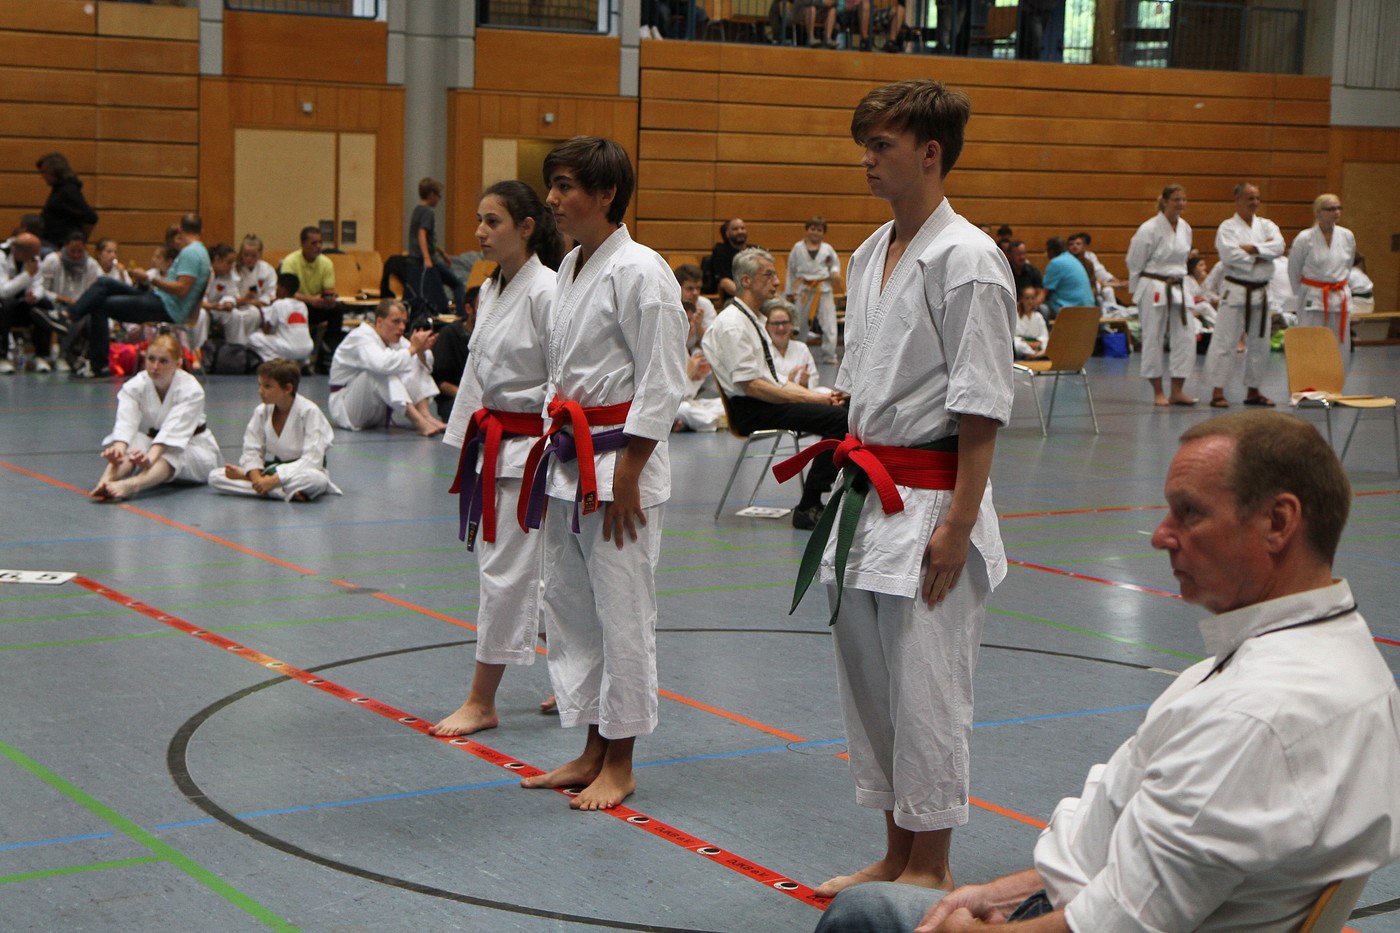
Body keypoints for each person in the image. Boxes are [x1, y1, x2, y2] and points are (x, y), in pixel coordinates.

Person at [815, 410, 1400, 933]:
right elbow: (1146, 865)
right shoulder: (1335, 660)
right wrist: (1004, 891)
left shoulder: (1255, 715)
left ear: (1278, 521)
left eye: (1189, 512)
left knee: (863, 914)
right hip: (1073, 894)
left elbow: (1121, 923)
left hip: (1076, 917)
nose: (1161, 535)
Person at [773, 78, 1015, 902]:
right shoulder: (870, 251)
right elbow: (865, 382)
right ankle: (895, 851)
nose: (867, 161)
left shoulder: (969, 259)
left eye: (881, 146)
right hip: (869, 496)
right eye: (865, 147)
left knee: (928, 689)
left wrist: (961, 522)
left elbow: (982, 404)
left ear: (930, 153)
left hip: (935, 497)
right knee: (873, 686)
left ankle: (931, 864)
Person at [516, 136, 688, 811]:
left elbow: (663, 380)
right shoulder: (571, 266)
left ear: (606, 193)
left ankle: (621, 761)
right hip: (570, 462)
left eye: (565, 186)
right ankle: (591, 748)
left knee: (624, 616)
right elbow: (561, 375)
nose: (552, 200)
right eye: (552, 186)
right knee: (573, 611)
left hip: (621, 466)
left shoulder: (643, 270)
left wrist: (630, 472)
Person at [433, 179, 564, 738]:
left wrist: (554, 447)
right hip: (494, 444)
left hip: (533, 451)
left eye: (493, 222)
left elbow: (563, 379)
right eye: (479, 220)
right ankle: (582, 677)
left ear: (526, 227)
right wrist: (463, 438)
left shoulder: (548, 290)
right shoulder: (491, 289)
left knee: (506, 574)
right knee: (541, 576)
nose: (480, 232)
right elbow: (476, 374)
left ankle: (481, 700)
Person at [701, 246, 847, 529]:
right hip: (751, 410)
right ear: (746, 280)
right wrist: (813, 400)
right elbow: (754, 386)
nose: (777, 282)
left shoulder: (753, 319)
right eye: (768, 275)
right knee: (839, 421)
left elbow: (775, 378)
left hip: (765, 400)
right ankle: (809, 505)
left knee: (846, 406)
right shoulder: (733, 325)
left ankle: (846, 494)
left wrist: (820, 396)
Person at [63, 212, 210, 380]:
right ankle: (69, 315)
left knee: (100, 305)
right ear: (202, 230)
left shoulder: (191, 253)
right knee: (105, 283)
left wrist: (150, 278)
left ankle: (99, 365)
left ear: (180, 229)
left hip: (167, 308)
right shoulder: (200, 252)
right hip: (159, 299)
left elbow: (182, 289)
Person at [90, 333, 221, 501]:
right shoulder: (136, 385)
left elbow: (172, 432)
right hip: (156, 442)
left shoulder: (191, 390)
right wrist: (119, 450)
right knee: (133, 441)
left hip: (196, 450)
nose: (155, 366)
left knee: (172, 453)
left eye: (163, 361)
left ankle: (132, 485)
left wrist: (150, 458)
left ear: (178, 364)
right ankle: (106, 480)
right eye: (151, 359)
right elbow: (126, 422)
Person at [210, 358, 340, 502]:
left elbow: (312, 459)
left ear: (288, 388)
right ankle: (283, 491)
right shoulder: (262, 411)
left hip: (302, 471)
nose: (260, 391)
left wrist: (274, 480)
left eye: (267, 386)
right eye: (260, 385)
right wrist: (257, 478)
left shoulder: (309, 412)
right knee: (215, 477)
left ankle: (266, 487)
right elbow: (252, 450)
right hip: (273, 472)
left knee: (316, 480)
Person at [1204, 182, 1283, 408]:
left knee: (1260, 343)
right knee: (1225, 342)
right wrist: (1262, 253)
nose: (1254, 202)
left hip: (1262, 291)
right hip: (1236, 290)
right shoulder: (1227, 228)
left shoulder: (1267, 225)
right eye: (1250, 198)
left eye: (1257, 198)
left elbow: (1279, 247)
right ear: (1237, 199)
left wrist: (1252, 248)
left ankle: (1253, 391)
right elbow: (1229, 256)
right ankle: (1217, 391)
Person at [327, 297, 445, 435]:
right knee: (380, 370)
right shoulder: (360, 336)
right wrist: (413, 348)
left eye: (404, 322)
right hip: (346, 408)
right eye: (396, 321)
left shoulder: (394, 338)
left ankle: (426, 415)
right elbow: (382, 365)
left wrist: (421, 351)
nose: (402, 327)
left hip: (375, 412)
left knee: (413, 358)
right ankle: (418, 420)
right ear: (379, 321)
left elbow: (425, 364)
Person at [1125, 184, 1197, 406]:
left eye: (1183, 199)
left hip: (1179, 285)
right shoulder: (1148, 228)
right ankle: (1158, 391)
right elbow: (1134, 261)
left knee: (1186, 337)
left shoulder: (1185, 228)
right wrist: (1137, 291)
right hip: (1153, 285)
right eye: (1176, 199)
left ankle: (1177, 390)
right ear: (1165, 201)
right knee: (1153, 338)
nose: (1181, 204)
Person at [1289, 193, 1355, 350]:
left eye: (1339, 208)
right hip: (1313, 296)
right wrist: (1302, 292)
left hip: (1339, 296)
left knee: (1340, 345)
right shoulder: (1304, 238)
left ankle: (1339, 368)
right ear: (1318, 212)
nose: (1336, 212)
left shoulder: (1347, 236)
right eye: (1331, 209)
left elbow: (1348, 265)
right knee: (1312, 343)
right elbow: (1294, 268)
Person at [27, 231, 100, 371]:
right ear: (65, 246)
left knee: (85, 315)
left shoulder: (91, 264)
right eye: (73, 251)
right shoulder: (52, 260)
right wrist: (62, 298)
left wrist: (80, 302)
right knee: (67, 314)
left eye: (80, 251)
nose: (76, 255)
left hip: (80, 304)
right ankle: (56, 354)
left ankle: (70, 355)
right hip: (55, 303)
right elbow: (42, 289)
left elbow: (92, 291)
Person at [280, 226, 345, 370]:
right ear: (303, 244)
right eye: (314, 243)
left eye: (320, 242)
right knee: (287, 305)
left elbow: (328, 291)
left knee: (337, 310)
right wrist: (310, 300)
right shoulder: (290, 261)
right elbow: (286, 293)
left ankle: (327, 353)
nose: (318, 246)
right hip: (296, 307)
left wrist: (328, 299)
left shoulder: (326, 263)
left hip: (316, 306)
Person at [784, 216, 842, 362]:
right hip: (804, 290)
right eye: (813, 229)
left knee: (829, 323)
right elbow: (790, 271)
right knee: (799, 323)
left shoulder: (827, 249)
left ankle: (829, 355)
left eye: (819, 230)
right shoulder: (797, 248)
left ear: (823, 233)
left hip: (824, 290)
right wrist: (789, 292)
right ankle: (797, 354)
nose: (816, 232)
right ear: (807, 230)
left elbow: (835, 264)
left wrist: (835, 272)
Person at [409, 178, 468, 316]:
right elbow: (422, 234)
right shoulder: (428, 212)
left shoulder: (417, 210)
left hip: (417, 260)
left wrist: (442, 253)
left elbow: (429, 240)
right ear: (432, 195)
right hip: (428, 261)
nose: (439, 199)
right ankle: (462, 317)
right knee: (458, 284)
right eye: (439, 196)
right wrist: (427, 258)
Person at [431, 285, 479, 420]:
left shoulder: (493, 335)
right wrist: (463, 395)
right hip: (454, 399)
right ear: (469, 308)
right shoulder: (450, 334)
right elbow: (438, 380)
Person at [35, 153, 97, 251]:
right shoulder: (60, 189)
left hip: (57, 244)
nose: (43, 176)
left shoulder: (68, 191)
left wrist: (80, 242)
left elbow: (91, 217)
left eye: (45, 172)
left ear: (55, 170)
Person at [248, 273, 314, 365]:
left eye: (278, 287)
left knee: (254, 338)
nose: (276, 290)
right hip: (307, 349)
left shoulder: (278, 304)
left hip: (289, 348)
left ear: (283, 288)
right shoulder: (303, 305)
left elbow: (267, 331)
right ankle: (302, 363)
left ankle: (276, 362)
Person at [202, 243, 261, 346]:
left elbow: (231, 295)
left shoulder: (228, 275)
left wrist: (229, 303)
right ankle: (236, 348)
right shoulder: (205, 272)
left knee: (248, 313)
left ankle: (243, 347)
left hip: (219, 309)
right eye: (229, 262)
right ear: (217, 259)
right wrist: (212, 306)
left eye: (233, 263)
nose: (231, 266)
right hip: (205, 308)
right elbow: (199, 298)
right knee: (233, 316)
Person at [0, 232, 41, 375]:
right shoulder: (1, 256)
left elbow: (39, 284)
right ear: (22, 251)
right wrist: (27, 275)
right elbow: (3, 291)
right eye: (33, 253)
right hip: (4, 305)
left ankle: (42, 354)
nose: (36, 256)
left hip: (22, 304)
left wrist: (35, 295)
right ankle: (2, 355)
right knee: (6, 305)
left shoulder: (34, 259)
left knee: (44, 305)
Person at [762, 297, 823, 389]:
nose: (781, 328)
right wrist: (787, 381)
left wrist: (805, 383)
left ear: (791, 324)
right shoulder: (763, 350)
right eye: (776, 323)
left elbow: (813, 379)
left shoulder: (801, 348)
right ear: (767, 326)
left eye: (785, 322)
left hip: (803, 395)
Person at [1039, 236, 1095, 321]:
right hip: (1089, 309)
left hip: (1069, 310)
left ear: (1051, 251)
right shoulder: (1072, 259)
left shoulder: (1055, 263)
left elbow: (1044, 293)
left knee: (1042, 308)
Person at [709, 218, 749, 300]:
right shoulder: (721, 252)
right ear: (727, 233)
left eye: (742, 228)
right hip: (734, 298)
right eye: (735, 229)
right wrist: (748, 297)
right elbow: (724, 282)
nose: (740, 231)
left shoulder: (755, 250)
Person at [1013, 284, 1048, 360]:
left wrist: (1038, 342)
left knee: (1048, 344)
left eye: (1032, 298)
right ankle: (1036, 355)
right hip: (1024, 344)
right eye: (1027, 298)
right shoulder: (1015, 316)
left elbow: (1044, 335)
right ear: (1021, 299)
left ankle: (1035, 355)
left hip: (1037, 344)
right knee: (1018, 345)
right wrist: (1028, 343)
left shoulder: (1038, 316)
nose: (1030, 301)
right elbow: (1014, 337)